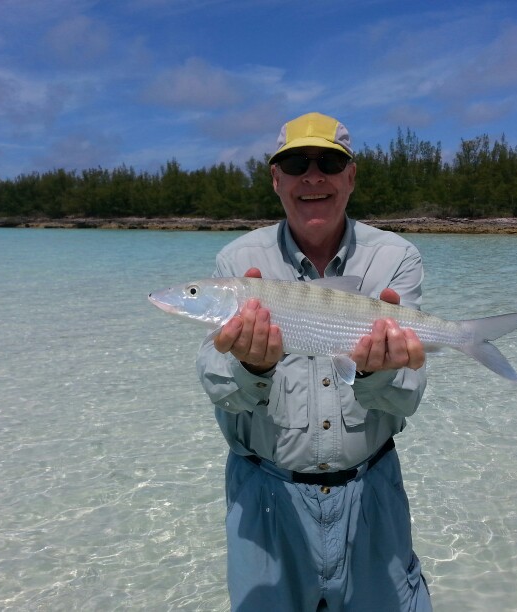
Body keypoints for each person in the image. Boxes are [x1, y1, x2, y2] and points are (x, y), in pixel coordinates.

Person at [195, 112, 432, 611]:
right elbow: (218, 387)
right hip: (265, 497)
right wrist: (252, 368)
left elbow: (406, 398)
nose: (313, 176)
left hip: (372, 493)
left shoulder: (396, 257)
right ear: (276, 179)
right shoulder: (238, 262)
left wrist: (375, 371)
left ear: (351, 176)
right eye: (296, 164)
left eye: (329, 163)